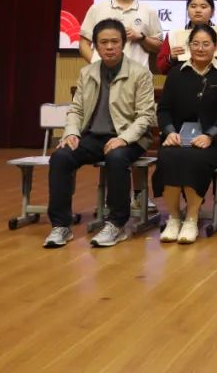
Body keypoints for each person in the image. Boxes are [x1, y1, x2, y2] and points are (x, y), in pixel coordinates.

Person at [44, 19, 155, 248]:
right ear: (95, 45)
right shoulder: (87, 72)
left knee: (116, 157)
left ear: (123, 43)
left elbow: (145, 117)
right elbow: (76, 109)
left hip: (129, 137)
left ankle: (116, 224)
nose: (110, 47)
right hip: (93, 137)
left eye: (115, 41)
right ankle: (61, 226)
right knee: (61, 157)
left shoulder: (140, 73)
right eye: (104, 42)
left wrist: (123, 139)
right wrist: (71, 133)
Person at [153, 24, 217, 244]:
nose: (200, 48)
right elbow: (164, 110)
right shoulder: (176, 73)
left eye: (206, 44)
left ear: (215, 47)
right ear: (188, 46)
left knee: (195, 158)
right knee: (167, 156)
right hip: (178, 138)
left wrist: (210, 135)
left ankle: (191, 218)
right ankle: (174, 217)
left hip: (212, 142)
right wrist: (169, 132)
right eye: (195, 44)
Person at [78, 0, 162, 66]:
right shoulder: (97, 8)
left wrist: (141, 38)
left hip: (138, 74)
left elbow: (160, 47)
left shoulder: (148, 11)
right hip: (104, 74)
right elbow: (84, 44)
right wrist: (99, 66)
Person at [156, 0, 217, 74]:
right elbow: (161, 68)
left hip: (216, 79)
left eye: (203, 7)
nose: (198, 10)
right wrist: (170, 58)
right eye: (193, 6)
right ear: (187, 10)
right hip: (182, 79)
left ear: (212, 12)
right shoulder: (173, 34)